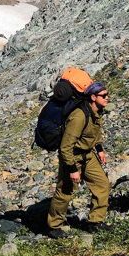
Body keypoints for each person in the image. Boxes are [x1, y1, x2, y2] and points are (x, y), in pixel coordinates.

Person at [46, 82, 111, 237]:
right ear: (93, 97)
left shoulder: (97, 111)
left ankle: (95, 221)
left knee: (102, 184)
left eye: (108, 95)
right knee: (65, 191)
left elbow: (94, 134)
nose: (107, 98)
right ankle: (54, 226)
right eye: (104, 96)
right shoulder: (79, 116)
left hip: (88, 155)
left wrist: (100, 150)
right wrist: (72, 169)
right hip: (72, 156)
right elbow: (65, 147)